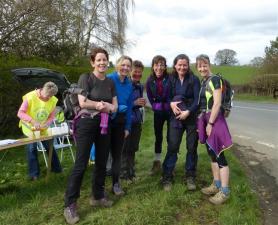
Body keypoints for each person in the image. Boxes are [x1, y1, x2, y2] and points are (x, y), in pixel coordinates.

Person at [63, 47, 117, 224]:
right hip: (86, 123)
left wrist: (107, 107)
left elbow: (115, 106)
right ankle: (70, 204)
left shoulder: (110, 82)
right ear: (93, 62)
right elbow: (83, 102)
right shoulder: (85, 78)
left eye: (104, 60)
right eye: (99, 60)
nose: (102, 63)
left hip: (104, 124)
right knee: (81, 164)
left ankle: (98, 196)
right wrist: (102, 105)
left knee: (101, 161)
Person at [196, 54, 233, 205]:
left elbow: (217, 103)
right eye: (199, 66)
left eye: (205, 65)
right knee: (211, 153)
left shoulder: (215, 80)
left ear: (209, 65)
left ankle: (224, 191)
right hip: (207, 118)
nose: (202, 68)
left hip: (215, 120)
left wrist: (210, 124)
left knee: (219, 155)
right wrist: (203, 123)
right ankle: (216, 185)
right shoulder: (204, 81)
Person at [161, 54, 200, 191]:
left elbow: (197, 100)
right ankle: (167, 176)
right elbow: (166, 97)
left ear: (188, 65)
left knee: (191, 147)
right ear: (175, 65)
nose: (182, 67)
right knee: (172, 146)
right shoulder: (171, 79)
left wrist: (188, 112)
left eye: (185, 65)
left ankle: (190, 175)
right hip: (175, 117)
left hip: (191, 117)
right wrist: (171, 104)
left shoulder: (194, 80)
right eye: (180, 65)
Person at [17, 81, 62, 181]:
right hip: (29, 127)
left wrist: (47, 123)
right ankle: (34, 175)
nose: (48, 98)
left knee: (50, 147)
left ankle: (57, 169)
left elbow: (51, 116)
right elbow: (20, 113)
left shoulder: (53, 99)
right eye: (47, 96)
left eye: (51, 96)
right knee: (31, 149)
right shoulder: (30, 97)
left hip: (42, 126)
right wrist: (33, 121)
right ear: (42, 90)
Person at [107, 56, 133, 195]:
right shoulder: (109, 79)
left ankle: (116, 184)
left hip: (120, 122)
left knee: (117, 154)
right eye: (123, 65)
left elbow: (129, 107)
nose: (125, 68)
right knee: (103, 153)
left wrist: (127, 127)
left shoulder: (129, 84)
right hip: (106, 119)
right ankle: (98, 188)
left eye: (128, 66)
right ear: (118, 65)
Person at [120, 60, 146, 182]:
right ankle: (124, 175)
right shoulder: (124, 84)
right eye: (135, 72)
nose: (137, 75)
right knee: (125, 149)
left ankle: (131, 172)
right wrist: (134, 103)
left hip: (137, 121)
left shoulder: (140, 86)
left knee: (133, 148)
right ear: (130, 71)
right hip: (126, 121)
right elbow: (120, 103)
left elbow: (138, 103)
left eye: (140, 73)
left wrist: (141, 104)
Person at [146, 55, 171, 175]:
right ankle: (157, 162)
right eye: (156, 65)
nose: (159, 67)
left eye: (162, 65)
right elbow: (150, 97)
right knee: (158, 137)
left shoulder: (171, 78)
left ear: (165, 67)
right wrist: (156, 107)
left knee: (171, 138)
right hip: (158, 112)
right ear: (153, 66)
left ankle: (170, 164)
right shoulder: (150, 80)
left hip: (171, 112)